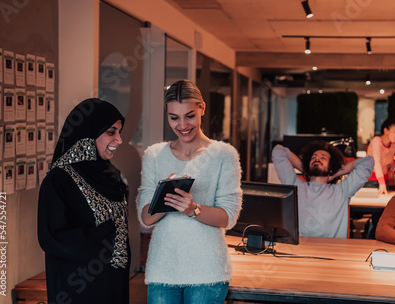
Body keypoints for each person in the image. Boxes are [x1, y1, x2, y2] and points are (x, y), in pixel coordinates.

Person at [137, 80, 242, 304]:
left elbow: (229, 217)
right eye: (174, 117)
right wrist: (165, 197)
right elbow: (146, 218)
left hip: (208, 271)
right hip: (163, 270)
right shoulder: (154, 155)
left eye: (190, 115)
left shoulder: (224, 154)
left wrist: (192, 209)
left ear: (202, 108)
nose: (182, 124)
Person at [37, 98, 130, 304]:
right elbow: (51, 237)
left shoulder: (114, 175)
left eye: (119, 132)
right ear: (89, 133)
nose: (119, 140)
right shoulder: (59, 180)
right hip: (75, 288)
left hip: (114, 285)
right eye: (111, 132)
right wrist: (106, 236)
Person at [272, 140, 374, 238]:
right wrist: (304, 169)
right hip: (298, 250)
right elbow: (278, 150)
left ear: (331, 168)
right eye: (314, 157)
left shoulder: (342, 190)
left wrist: (335, 173)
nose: (317, 159)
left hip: (330, 251)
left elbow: (368, 162)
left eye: (323, 158)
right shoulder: (294, 185)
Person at [366, 119, 395, 194]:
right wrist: (381, 183)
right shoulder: (377, 141)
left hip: (384, 181)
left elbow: (390, 164)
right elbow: (376, 162)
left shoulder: (393, 145)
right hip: (371, 181)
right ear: (386, 131)